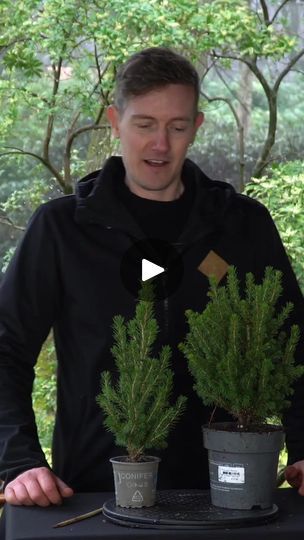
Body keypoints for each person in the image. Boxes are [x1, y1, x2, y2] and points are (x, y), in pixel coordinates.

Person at [0, 46, 304, 510]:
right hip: (92, 499)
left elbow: (294, 345)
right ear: (114, 120)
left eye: (177, 127)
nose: (160, 145)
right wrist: (18, 461)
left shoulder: (242, 225)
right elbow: (6, 349)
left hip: (229, 497)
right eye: (144, 124)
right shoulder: (62, 230)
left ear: (196, 127)